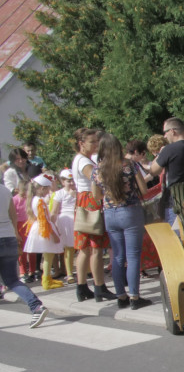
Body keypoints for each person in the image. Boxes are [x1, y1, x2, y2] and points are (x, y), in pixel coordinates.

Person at [93, 133, 151, 310]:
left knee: (118, 256)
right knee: (133, 256)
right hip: (130, 211)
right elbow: (143, 189)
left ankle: (121, 296)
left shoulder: (98, 169)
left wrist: (110, 196)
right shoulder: (129, 165)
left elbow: (96, 196)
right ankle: (134, 296)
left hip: (110, 213)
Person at [71, 128, 116, 302]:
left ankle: (82, 287)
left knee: (84, 248)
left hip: (83, 201)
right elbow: (96, 178)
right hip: (90, 201)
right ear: (81, 144)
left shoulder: (80, 159)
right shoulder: (84, 161)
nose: (96, 145)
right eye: (92, 142)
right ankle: (99, 286)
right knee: (96, 247)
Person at [0, 179, 47, 327]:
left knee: (11, 280)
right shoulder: (5, 190)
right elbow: (13, 215)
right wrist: (15, 233)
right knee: (12, 280)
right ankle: (36, 306)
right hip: (8, 237)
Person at [22, 174, 64, 291]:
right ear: (42, 188)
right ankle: (46, 280)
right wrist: (54, 234)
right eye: (47, 189)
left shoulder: (35, 199)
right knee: (48, 255)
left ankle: (48, 278)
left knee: (47, 255)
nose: (48, 191)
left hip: (41, 228)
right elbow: (44, 219)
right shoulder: (39, 201)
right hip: (44, 229)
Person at [51, 169, 77, 285]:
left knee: (81, 247)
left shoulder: (78, 192)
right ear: (62, 182)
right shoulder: (59, 193)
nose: (71, 183)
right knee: (69, 248)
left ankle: (87, 270)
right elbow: (54, 211)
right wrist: (53, 226)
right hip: (66, 221)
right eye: (68, 181)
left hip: (78, 219)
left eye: (73, 180)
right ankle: (69, 273)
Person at [11, 180, 35, 283]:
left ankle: (33, 271)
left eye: (26, 190)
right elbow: (13, 215)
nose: (25, 193)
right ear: (17, 190)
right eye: (23, 191)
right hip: (20, 226)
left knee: (32, 249)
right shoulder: (14, 199)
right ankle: (23, 272)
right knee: (22, 250)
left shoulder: (30, 199)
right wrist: (15, 230)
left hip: (29, 224)